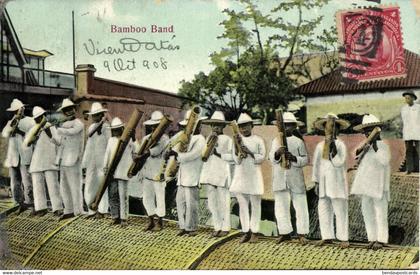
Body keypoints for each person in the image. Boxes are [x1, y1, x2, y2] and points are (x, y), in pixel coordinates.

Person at [351, 114, 391, 250]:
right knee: (367, 212)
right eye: (366, 131)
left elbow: (384, 161)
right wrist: (365, 146)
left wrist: (374, 146)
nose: (369, 133)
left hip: (379, 185)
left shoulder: (383, 146)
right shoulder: (364, 146)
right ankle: (372, 238)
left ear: (377, 130)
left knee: (380, 212)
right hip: (365, 185)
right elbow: (355, 155)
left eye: (371, 130)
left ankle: (381, 239)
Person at [269, 112, 309, 245]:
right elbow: (271, 158)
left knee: (300, 205)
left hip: (295, 178)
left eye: (289, 125)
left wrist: (294, 158)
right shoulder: (275, 141)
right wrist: (277, 154)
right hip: (280, 178)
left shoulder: (298, 142)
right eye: (284, 125)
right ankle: (284, 233)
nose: (286, 128)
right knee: (280, 206)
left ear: (294, 127)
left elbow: (305, 159)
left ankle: (302, 233)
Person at [312, 113, 350, 248]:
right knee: (323, 209)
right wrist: (316, 182)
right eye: (328, 127)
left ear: (338, 129)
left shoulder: (340, 145)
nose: (331, 130)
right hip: (323, 183)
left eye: (334, 127)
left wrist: (332, 148)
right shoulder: (319, 146)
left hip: (336, 182)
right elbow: (316, 165)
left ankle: (343, 238)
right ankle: (327, 236)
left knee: (340, 209)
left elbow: (339, 162)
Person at [167, 109, 206, 236]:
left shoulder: (200, 139)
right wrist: (172, 151)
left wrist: (176, 154)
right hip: (183, 176)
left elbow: (192, 156)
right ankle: (183, 226)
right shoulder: (184, 136)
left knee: (191, 203)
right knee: (180, 201)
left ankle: (192, 228)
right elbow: (174, 148)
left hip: (193, 175)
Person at [229, 113, 266, 243]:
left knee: (256, 204)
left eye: (246, 126)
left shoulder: (258, 140)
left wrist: (250, 152)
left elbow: (262, 158)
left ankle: (255, 232)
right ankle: (246, 231)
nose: (244, 129)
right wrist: (240, 154)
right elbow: (235, 160)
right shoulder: (236, 140)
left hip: (254, 176)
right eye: (241, 127)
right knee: (243, 205)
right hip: (241, 176)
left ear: (252, 126)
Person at [26, 106, 63, 217]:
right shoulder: (33, 128)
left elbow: (58, 142)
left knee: (53, 185)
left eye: (40, 117)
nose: (38, 119)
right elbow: (29, 143)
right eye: (36, 118)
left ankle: (57, 208)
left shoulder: (51, 127)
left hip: (49, 159)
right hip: (37, 160)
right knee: (37, 184)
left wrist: (49, 134)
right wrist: (37, 132)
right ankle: (40, 208)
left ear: (44, 116)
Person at [200, 111, 232, 237]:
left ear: (223, 127)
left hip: (222, 172)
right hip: (210, 172)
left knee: (223, 201)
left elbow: (232, 156)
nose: (215, 127)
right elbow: (203, 154)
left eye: (218, 125)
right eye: (213, 125)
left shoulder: (227, 139)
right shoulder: (208, 137)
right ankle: (217, 226)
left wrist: (217, 152)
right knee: (212, 202)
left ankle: (225, 227)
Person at [137, 111, 169, 231]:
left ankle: (160, 222)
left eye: (157, 125)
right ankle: (150, 220)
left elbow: (154, 152)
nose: (154, 128)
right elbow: (141, 151)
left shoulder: (165, 139)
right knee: (147, 198)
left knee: (160, 197)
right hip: (147, 172)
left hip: (158, 172)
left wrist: (141, 155)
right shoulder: (146, 138)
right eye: (153, 125)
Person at [1, 99, 35, 213]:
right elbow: (5, 133)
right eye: (16, 111)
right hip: (13, 156)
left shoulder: (30, 121)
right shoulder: (11, 121)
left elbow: (34, 134)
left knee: (27, 180)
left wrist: (20, 131)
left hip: (25, 154)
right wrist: (13, 123)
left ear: (23, 109)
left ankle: (30, 203)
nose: (18, 112)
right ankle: (18, 202)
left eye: (19, 110)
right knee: (15, 182)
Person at [55, 98, 85, 220]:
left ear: (74, 109)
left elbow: (73, 132)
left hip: (73, 159)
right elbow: (61, 143)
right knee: (64, 186)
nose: (69, 112)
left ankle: (78, 211)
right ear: (64, 112)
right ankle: (68, 210)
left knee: (75, 186)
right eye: (66, 110)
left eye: (71, 109)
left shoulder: (79, 123)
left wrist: (59, 129)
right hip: (64, 160)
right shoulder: (63, 125)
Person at [81, 102, 111, 219]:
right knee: (89, 184)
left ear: (102, 115)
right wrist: (85, 162)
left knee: (101, 185)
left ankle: (102, 211)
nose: (94, 117)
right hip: (91, 161)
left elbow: (109, 145)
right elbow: (88, 146)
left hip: (102, 161)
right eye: (93, 115)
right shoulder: (91, 128)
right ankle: (91, 210)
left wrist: (107, 162)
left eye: (97, 115)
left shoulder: (107, 127)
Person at [104, 117, 134, 227]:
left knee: (123, 196)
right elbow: (107, 154)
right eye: (114, 129)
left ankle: (124, 218)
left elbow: (134, 152)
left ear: (122, 129)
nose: (115, 131)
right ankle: (115, 216)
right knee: (112, 194)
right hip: (112, 172)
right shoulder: (111, 140)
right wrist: (105, 167)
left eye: (118, 129)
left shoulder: (128, 140)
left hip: (123, 171)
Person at [400, 90, 420, 174]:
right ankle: (409, 169)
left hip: (418, 131)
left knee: (419, 150)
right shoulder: (403, 109)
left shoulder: (418, 108)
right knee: (408, 150)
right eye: (406, 98)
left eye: (408, 98)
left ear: (413, 98)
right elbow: (405, 121)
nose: (407, 100)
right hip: (408, 132)